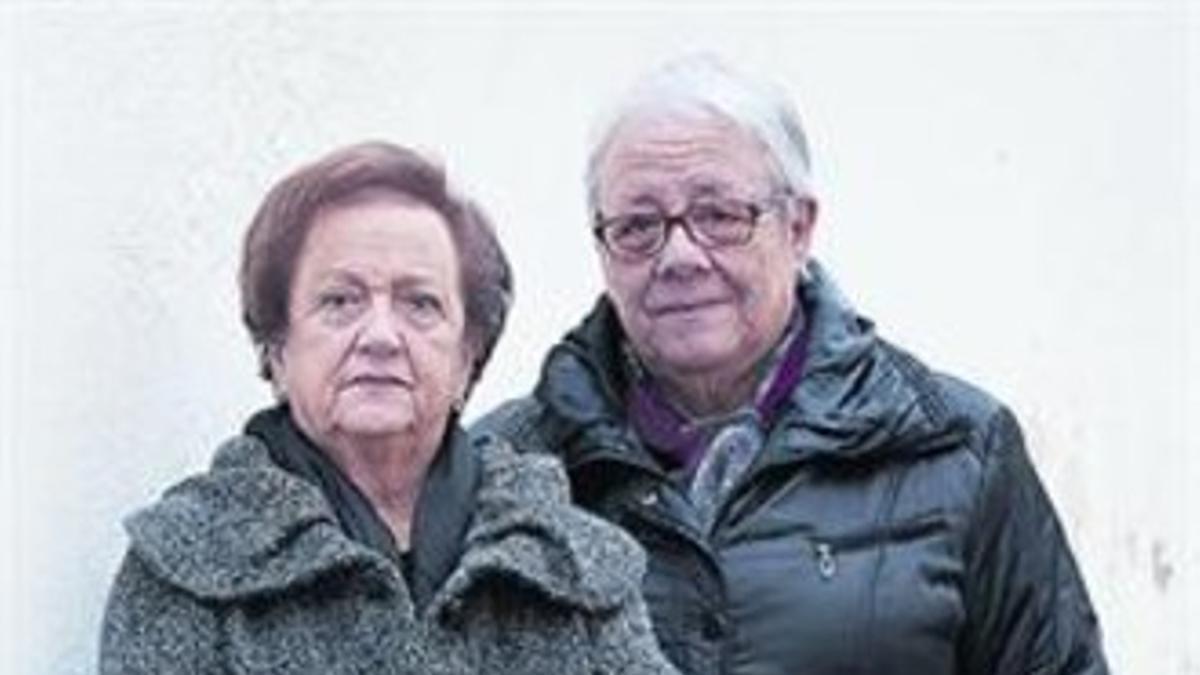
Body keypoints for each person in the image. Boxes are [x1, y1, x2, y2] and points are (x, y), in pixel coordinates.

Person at [476, 56, 1110, 675]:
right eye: (638, 225)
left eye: (718, 216)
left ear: (799, 227)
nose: (679, 256)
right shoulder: (503, 466)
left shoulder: (955, 449)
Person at [99, 141, 678, 675]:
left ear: (468, 355)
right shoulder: (187, 562)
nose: (380, 335)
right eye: (340, 300)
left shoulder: (574, 564)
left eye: (419, 303)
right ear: (277, 348)